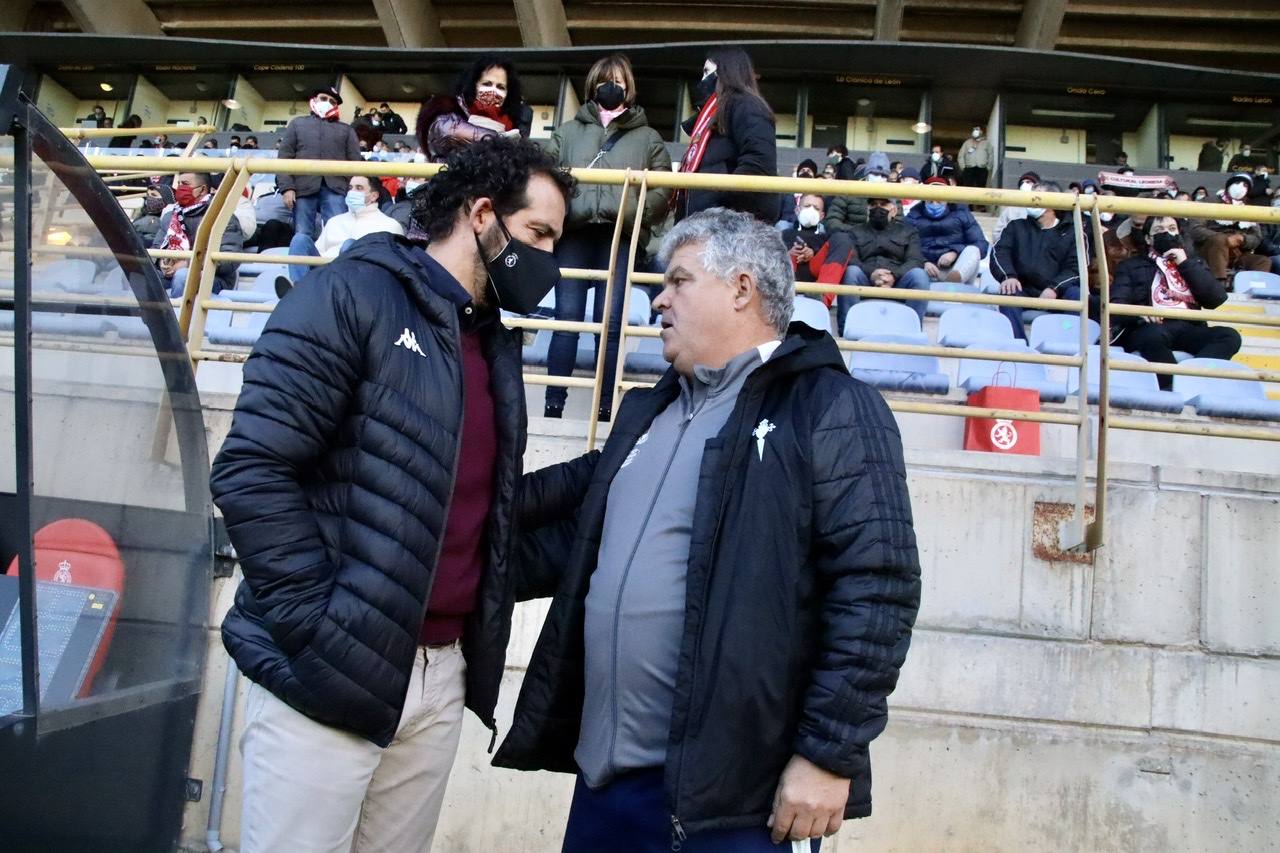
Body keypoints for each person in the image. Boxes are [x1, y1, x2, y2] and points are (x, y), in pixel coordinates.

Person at [496, 207, 921, 853]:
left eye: (679, 280)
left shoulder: (829, 405)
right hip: (606, 787)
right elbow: (570, 547)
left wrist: (828, 753)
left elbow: (877, 587)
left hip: (736, 803)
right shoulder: (651, 412)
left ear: (741, 288)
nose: (659, 299)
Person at [211, 137, 573, 853]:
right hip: (326, 671)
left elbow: (476, 513)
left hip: (439, 682)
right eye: (538, 234)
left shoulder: (491, 346)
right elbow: (252, 468)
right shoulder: (352, 294)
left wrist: (611, 469)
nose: (549, 260)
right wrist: (320, 631)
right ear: (481, 214)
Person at [542, 53, 673, 420]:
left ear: (628, 87)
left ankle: (604, 408)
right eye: (604, 80)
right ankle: (553, 404)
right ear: (592, 86)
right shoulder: (568, 131)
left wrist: (634, 213)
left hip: (619, 236)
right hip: (574, 235)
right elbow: (545, 172)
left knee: (610, 323)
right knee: (566, 320)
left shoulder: (648, 137)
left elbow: (664, 187)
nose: (610, 87)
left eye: (617, 81)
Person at [1110, 216, 1240, 389]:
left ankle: (1193, 381)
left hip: (1189, 327)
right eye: (1159, 230)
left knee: (1229, 336)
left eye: (1172, 229)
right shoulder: (1130, 266)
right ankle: (1171, 385)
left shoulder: (1194, 263)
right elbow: (1117, 303)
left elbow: (1216, 299)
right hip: (1151, 326)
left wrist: (1185, 264)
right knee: (1152, 336)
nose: (1167, 234)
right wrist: (1140, 313)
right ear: (1148, 239)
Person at [674, 47, 779, 224]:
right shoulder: (713, 115)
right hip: (706, 221)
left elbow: (758, 163)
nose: (702, 79)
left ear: (725, 71)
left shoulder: (747, 106)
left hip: (727, 224)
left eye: (707, 71)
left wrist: (720, 203)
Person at [275, 174, 405, 295]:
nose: (352, 192)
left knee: (350, 245)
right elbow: (318, 253)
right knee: (300, 240)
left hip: (358, 284)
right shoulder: (334, 221)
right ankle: (299, 291)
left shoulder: (389, 225)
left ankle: (308, 293)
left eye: (359, 188)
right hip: (324, 274)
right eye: (350, 188)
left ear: (374, 196)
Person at [990, 180, 1080, 339]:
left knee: (1077, 295)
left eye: (1036, 196)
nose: (1031, 200)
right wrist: (1008, 276)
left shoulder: (1073, 232)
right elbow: (1000, 252)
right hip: (1023, 288)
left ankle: (1066, 342)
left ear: (1052, 203)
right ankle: (1017, 345)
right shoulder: (1016, 226)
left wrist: (1054, 288)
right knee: (1008, 291)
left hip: (1058, 292)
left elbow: (1075, 268)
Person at [277, 85, 363, 239]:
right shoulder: (297, 124)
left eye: (332, 101)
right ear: (314, 100)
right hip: (302, 188)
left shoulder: (347, 130)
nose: (328, 102)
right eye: (323, 98)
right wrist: (287, 187)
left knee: (338, 235)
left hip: (336, 189)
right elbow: (284, 157)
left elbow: (355, 161)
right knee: (302, 234)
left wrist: (351, 189)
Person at [835, 196, 931, 328]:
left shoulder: (908, 232)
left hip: (898, 282)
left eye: (883, 204)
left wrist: (893, 275)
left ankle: (912, 328)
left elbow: (915, 260)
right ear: (867, 209)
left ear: (894, 210)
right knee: (851, 272)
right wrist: (872, 274)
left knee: (919, 275)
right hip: (866, 281)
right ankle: (847, 328)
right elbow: (851, 260)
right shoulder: (855, 232)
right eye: (873, 204)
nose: (878, 208)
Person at [419, 54, 525, 163]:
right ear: (472, 84)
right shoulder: (448, 109)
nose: (493, 91)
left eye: (500, 87)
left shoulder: (511, 124)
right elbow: (447, 133)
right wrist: (499, 139)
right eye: (487, 84)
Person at [152, 171, 243, 297]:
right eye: (179, 184)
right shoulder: (170, 216)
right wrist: (161, 262)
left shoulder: (222, 217)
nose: (180, 188)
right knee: (142, 276)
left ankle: (177, 310)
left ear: (202, 189)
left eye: (185, 184)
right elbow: (156, 248)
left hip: (212, 278)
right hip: (170, 275)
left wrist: (189, 264)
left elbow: (229, 260)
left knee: (183, 276)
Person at [1184, 174, 1275, 285]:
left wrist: (1242, 239)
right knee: (1219, 240)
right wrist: (1225, 239)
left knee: (1263, 261)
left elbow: (1256, 237)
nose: (1240, 187)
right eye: (1237, 183)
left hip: (1238, 253)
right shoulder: (1208, 202)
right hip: (1210, 250)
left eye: (1245, 185)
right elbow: (1195, 229)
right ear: (1229, 185)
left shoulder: (1248, 208)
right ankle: (1220, 284)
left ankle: (1253, 289)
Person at [905, 177, 989, 283]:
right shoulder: (913, 216)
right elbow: (904, 247)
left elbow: (981, 244)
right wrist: (923, 262)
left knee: (973, 250)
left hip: (957, 268)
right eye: (930, 200)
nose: (935, 204)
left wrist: (955, 252)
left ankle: (952, 283)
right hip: (925, 270)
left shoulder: (961, 213)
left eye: (939, 200)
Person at [991, 170, 1040, 245]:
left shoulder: (1042, 210)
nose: (1024, 185)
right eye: (1022, 183)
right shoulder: (1010, 210)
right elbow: (997, 233)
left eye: (1028, 182)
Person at [777, 158, 820, 229]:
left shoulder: (818, 196)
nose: (805, 172)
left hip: (810, 225)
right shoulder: (787, 194)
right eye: (802, 170)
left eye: (809, 171)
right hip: (788, 225)